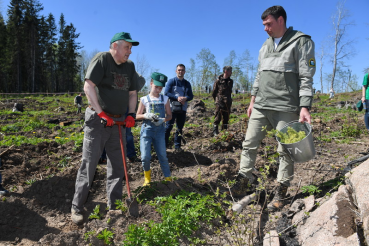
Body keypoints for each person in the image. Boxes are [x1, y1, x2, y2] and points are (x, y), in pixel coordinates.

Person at [229, 6, 315, 212]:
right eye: (263, 25)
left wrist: (304, 106)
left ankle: (281, 190)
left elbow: (306, 76)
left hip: (286, 106)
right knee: (249, 142)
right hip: (261, 105)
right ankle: (243, 179)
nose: (265, 29)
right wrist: (252, 101)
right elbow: (259, 76)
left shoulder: (301, 41)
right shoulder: (265, 46)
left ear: (281, 20)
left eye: (268, 24)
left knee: (285, 149)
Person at [71, 32, 139, 224]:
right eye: (127, 47)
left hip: (118, 122)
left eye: (131, 48)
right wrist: (101, 112)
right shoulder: (102, 59)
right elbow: (88, 86)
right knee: (89, 164)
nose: (130, 52)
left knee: (117, 165)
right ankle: (77, 207)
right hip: (98, 120)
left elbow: (133, 93)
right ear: (115, 46)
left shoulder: (130, 67)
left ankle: (114, 205)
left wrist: (131, 114)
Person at [136, 72, 172, 186]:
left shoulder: (165, 99)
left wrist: (163, 120)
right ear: (151, 84)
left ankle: (167, 177)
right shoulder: (143, 99)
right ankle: (147, 178)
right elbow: (136, 116)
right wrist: (145, 115)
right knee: (145, 156)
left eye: (160, 88)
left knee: (162, 155)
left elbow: (170, 116)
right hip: (147, 130)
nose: (158, 90)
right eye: (156, 87)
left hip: (160, 131)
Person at [164, 64, 193, 152]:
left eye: (182, 70)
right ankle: (164, 146)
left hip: (182, 109)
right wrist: (177, 98)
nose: (180, 72)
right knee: (168, 127)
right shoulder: (171, 81)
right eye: (179, 70)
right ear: (176, 71)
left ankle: (177, 146)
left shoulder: (187, 83)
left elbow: (191, 96)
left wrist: (185, 98)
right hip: (172, 109)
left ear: (185, 72)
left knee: (179, 128)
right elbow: (166, 93)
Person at [212, 66, 233, 136]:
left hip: (228, 102)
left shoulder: (231, 81)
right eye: (230, 71)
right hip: (220, 102)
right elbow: (214, 92)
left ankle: (224, 132)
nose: (231, 72)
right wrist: (217, 100)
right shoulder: (218, 81)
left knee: (226, 117)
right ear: (226, 71)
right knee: (218, 116)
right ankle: (215, 131)